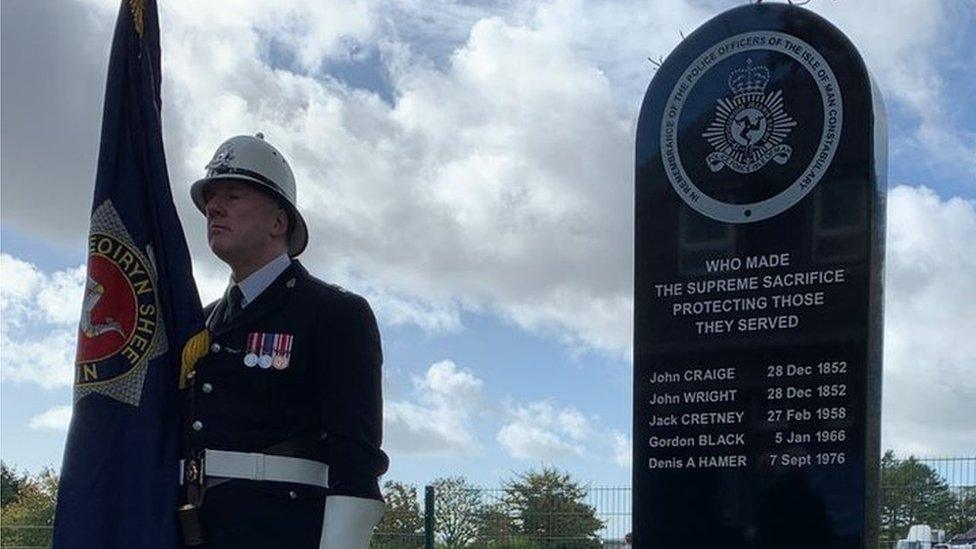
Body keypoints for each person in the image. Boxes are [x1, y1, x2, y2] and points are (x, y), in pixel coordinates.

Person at [179, 133, 388, 548]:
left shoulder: (333, 314)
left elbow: (356, 459)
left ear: (279, 222)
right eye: (211, 199)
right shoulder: (200, 324)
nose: (213, 208)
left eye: (233, 195)